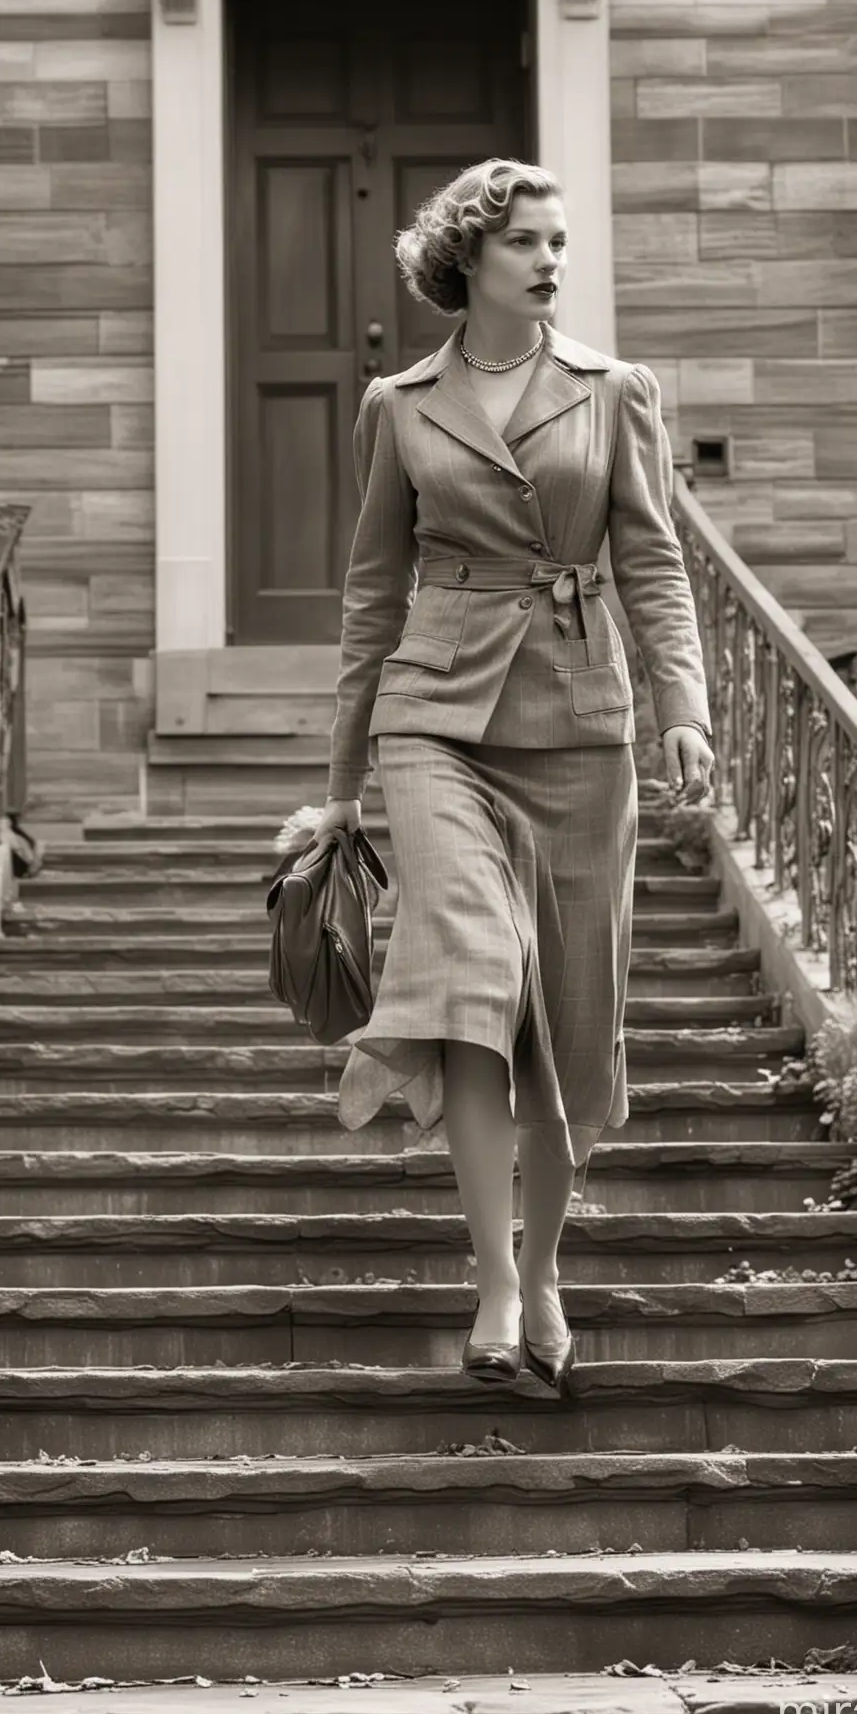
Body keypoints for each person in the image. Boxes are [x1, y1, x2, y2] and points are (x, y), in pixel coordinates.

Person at [315, 157, 715, 1392]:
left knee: (568, 1036)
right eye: (526, 243)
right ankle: (492, 1278)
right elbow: (372, 590)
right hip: (434, 715)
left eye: (558, 241)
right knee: (474, 980)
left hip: (582, 725)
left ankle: (543, 1270)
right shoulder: (400, 403)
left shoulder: (614, 392)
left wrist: (682, 708)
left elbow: (651, 560)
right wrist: (341, 783)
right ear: (468, 263)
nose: (550, 261)